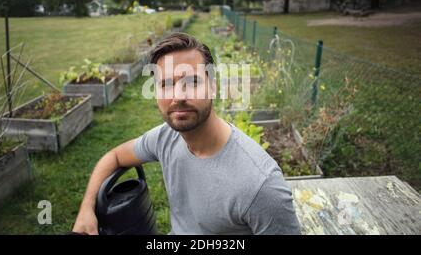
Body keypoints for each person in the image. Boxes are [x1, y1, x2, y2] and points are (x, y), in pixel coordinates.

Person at [72, 32, 301, 235]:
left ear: (213, 86)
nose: (178, 96)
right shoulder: (165, 138)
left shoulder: (261, 186)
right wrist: (86, 209)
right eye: (166, 84)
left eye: (192, 81)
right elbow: (114, 157)